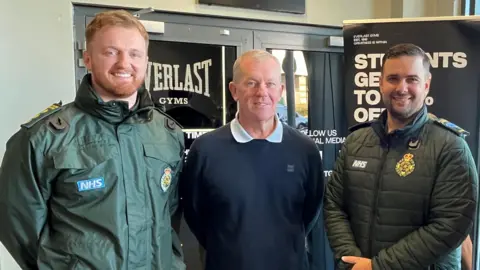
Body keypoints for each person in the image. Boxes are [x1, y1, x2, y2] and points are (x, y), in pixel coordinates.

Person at [0, 10, 186, 269]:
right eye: (111, 52)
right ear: (87, 59)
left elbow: (170, 214)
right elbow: (19, 227)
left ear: (146, 61)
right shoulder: (43, 138)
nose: (124, 63)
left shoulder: (168, 133)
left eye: (134, 54)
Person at [323, 43, 478, 270]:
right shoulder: (356, 141)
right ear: (381, 83)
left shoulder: (451, 146)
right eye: (393, 78)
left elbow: (450, 225)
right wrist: (350, 260)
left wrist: (377, 267)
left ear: (426, 85)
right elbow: (334, 206)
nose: (401, 88)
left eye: (412, 79)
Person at [180, 49, 324, 270]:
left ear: (281, 90)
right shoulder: (206, 150)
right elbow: (195, 215)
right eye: (251, 83)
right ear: (234, 90)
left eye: (270, 84)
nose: (262, 92)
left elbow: (310, 214)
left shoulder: (305, 150)